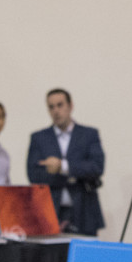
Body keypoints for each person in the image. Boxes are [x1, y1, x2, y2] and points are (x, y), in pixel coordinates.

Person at [27, 89, 105, 235]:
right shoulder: (39, 138)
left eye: (60, 105)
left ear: (70, 106)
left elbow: (96, 167)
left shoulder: (89, 134)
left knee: (84, 255)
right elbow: (34, 174)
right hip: (51, 210)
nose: (56, 111)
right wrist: (75, 174)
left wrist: (63, 167)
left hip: (84, 210)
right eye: (51, 107)